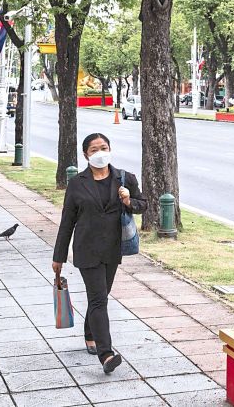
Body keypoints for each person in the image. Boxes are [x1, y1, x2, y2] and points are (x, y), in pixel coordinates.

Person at [52, 132, 145, 373]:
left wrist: (128, 201)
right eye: (94, 150)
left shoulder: (124, 178)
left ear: (110, 149)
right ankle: (106, 354)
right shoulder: (77, 183)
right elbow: (67, 221)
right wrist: (58, 257)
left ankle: (90, 333)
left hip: (113, 249)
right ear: (86, 155)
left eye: (103, 147)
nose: (100, 153)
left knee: (100, 297)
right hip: (87, 249)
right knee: (98, 299)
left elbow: (143, 205)